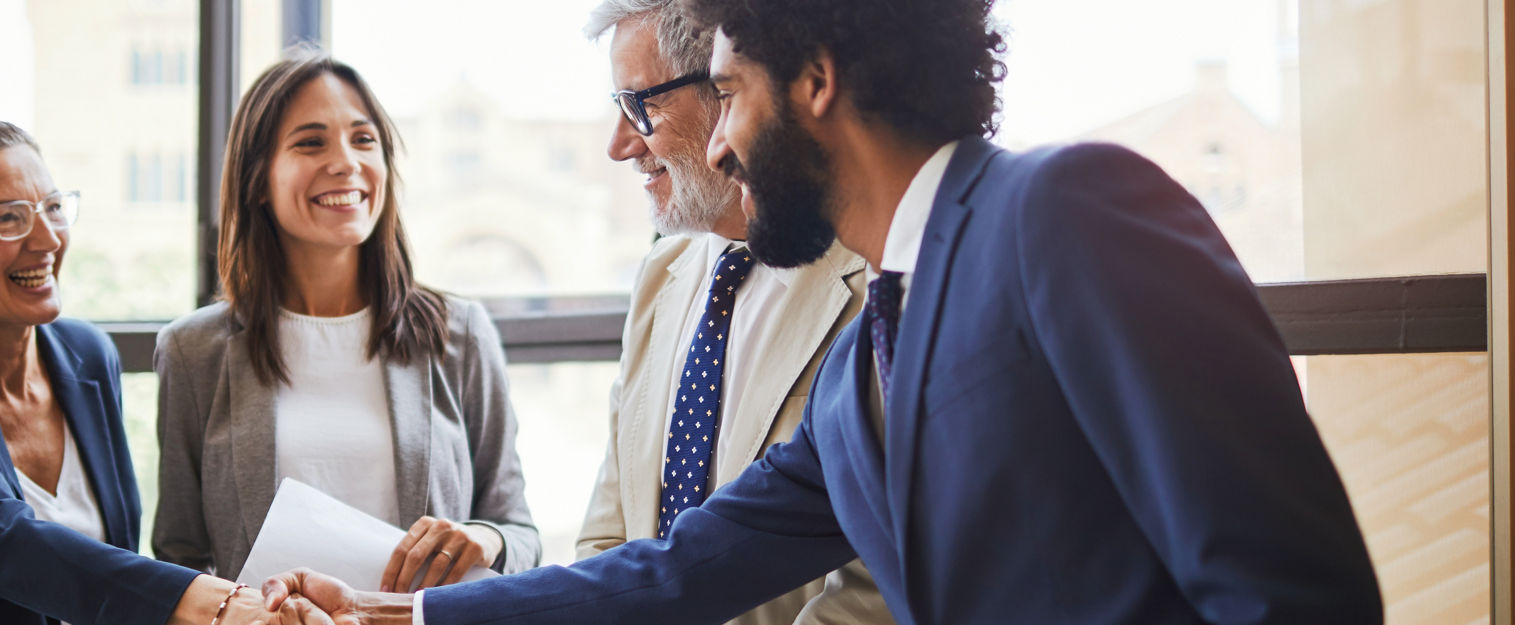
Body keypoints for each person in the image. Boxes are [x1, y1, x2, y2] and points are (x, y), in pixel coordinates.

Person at [260, 0, 1384, 622]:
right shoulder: (864, 370)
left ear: (815, 83)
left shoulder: (1066, 208)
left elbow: (1288, 590)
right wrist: (395, 621)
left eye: (733, 94)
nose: (720, 142)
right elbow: (676, 570)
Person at [0, 120, 317, 624]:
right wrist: (216, 604)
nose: (47, 239)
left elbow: (108, 561)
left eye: (52, 207)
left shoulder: (87, 354)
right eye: (8, 218)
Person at [153, 49, 539, 595]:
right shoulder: (194, 351)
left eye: (363, 140)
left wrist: (486, 538)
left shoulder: (461, 335)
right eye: (311, 142)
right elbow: (179, 556)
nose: (345, 162)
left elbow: (520, 530)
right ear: (258, 179)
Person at [579, 1, 890, 624]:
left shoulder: (876, 278)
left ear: (731, 89)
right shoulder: (659, 277)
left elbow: (878, 581)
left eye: (640, 106)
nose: (619, 145)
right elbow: (609, 532)